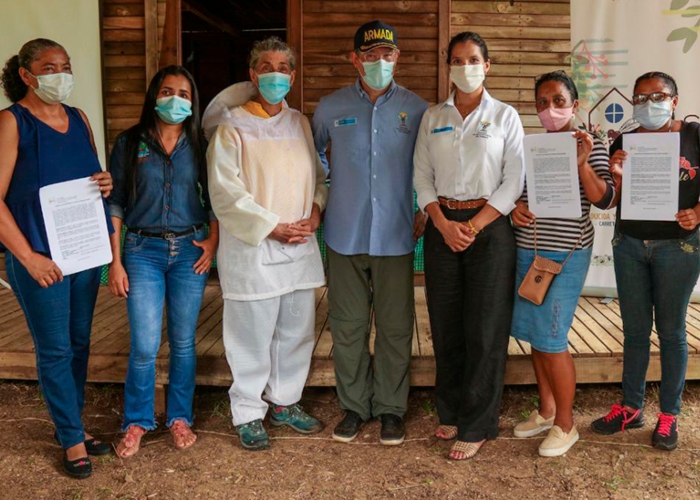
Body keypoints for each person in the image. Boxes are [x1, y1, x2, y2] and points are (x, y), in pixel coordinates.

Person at [206, 37, 327, 451]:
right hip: (253, 247)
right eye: (266, 65)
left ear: (292, 76)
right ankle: (247, 410)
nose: (275, 73)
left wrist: (315, 211)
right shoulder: (231, 125)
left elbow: (319, 177)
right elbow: (225, 192)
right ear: (253, 74)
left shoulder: (300, 123)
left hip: (299, 245)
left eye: (282, 66)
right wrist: (272, 226)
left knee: (295, 331)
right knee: (251, 335)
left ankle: (285, 402)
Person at [0, 38, 114, 479]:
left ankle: (73, 425)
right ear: (27, 75)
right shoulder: (12, 123)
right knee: (55, 349)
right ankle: (70, 439)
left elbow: (87, 176)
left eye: (65, 64)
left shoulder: (79, 118)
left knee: (79, 344)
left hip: (82, 250)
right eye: (49, 66)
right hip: (40, 258)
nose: (60, 74)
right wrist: (27, 257)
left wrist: (103, 183)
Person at [312, 20, 428, 445]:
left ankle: (392, 410)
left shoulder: (418, 110)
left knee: (396, 327)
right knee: (347, 325)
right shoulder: (329, 107)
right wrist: (326, 195)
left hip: (397, 236)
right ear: (354, 58)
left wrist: (428, 211)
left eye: (387, 54)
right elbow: (313, 161)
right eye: (370, 54)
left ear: (397, 56)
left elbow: (432, 167)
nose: (378, 61)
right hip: (343, 233)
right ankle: (355, 407)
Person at [413, 31, 525, 460]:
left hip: (490, 229)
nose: (465, 66)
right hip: (442, 227)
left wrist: (474, 225)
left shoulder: (504, 116)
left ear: (487, 65)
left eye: (473, 58)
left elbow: (514, 179)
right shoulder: (432, 116)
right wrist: (441, 221)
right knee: (445, 323)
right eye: (457, 59)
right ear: (448, 66)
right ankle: (452, 410)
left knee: (485, 327)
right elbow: (421, 175)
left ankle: (478, 424)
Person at [107, 65, 218, 457]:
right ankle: (137, 420)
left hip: (190, 250)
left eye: (184, 93)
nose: (176, 99)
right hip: (141, 252)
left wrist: (213, 241)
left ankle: (179, 417)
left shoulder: (202, 143)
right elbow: (115, 202)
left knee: (184, 342)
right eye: (168, 91)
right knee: (145, 344)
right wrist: (114, 261)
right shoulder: (129, 142)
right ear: (154, 95)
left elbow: (216, 198)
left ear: (193, 101)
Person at [591, 72, 700, 451]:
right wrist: (618, 176)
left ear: (675, 100)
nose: (648, 103)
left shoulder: (694, 136)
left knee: (671, 332)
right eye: (640, 97)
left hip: (678, 247)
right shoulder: (625, 139)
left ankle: (669, 414)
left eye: (658, 95)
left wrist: (698, 212)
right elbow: (614, 199)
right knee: (635, 331)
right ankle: (631, 407)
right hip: (630, 244)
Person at [510, 71, 615, 457]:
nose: (550, 109)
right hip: (527, 250)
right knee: (535, 336)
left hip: (566, 255)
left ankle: (566, 425)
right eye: (542, 102)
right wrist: (514, 211)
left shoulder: (593, 144)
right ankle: (546, 408)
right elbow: (515, 194)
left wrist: (583, 162)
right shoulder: (529, 146)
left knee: (552, 338)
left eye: (557, 101)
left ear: (574, 104)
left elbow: (605, 200)